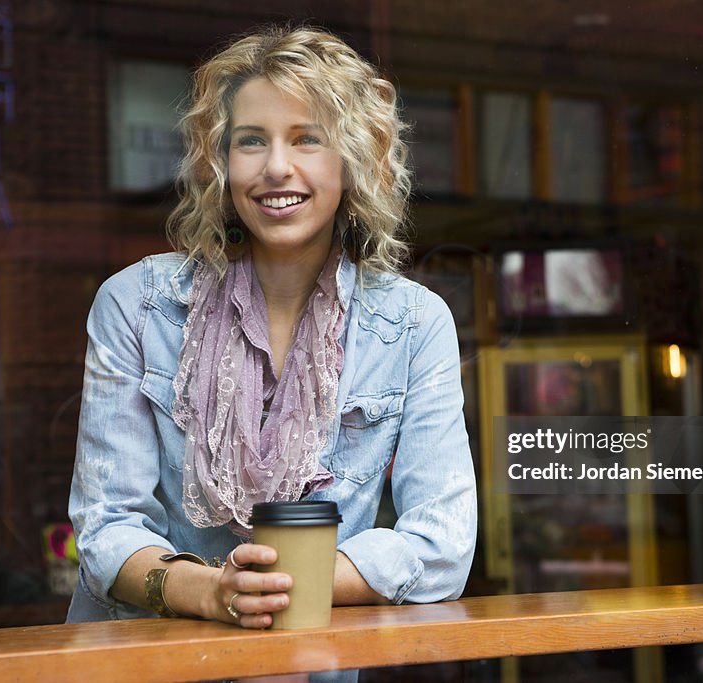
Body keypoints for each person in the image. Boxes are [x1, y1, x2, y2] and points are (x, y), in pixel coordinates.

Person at [66, 25, 477, 628]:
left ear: (353, 159)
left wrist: (275, 590)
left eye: (307, 139)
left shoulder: (413, 325)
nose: (276, 167)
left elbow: (442, 544)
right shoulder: (136, 305)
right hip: (148, 660)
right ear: (220, 161)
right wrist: (210, 592)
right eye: (251, 141)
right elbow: (105, 528)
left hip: (310, 664)